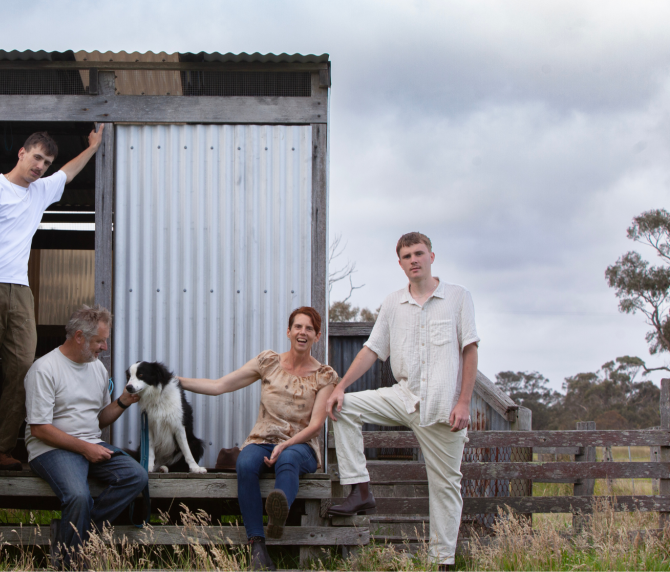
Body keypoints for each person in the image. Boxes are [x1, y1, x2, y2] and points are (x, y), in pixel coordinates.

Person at [325, 232, 479, 571]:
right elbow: (372, 349)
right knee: (345, 406)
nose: (413, 260)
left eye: (419, 253)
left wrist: (464, 402)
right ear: (400, 263)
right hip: (403, 396)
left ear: (431, 257)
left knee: (445, 486)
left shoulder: (457, 298)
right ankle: (360, 489)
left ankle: (443, 562)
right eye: (407, 255)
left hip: (444, 407)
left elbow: (470, 350)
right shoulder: (394, 303)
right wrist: (340, 385)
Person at [0, 127, 104, 471]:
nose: (40, 166)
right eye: (37, 157)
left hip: (22, 290)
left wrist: (94, 146)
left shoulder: (40, 191)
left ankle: (2, 446)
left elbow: (68, 172)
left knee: (22, 369)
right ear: (22, 154)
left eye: (46, 162)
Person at [179, 307, 338, 571]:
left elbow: (316, 425)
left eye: (309, 328)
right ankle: (257, 546)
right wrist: (177, 381)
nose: (303, 332)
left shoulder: (324, 375)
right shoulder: (268, 362)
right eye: (298, 327)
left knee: (288, 459)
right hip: (262, 439)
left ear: (317, 336)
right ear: (288, 332)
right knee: (245, 464)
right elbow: (220, 386)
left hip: (301, 445)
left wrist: (286, 443)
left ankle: (278, 513)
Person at [24, 305, 149, 569]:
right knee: (78, 496)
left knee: (136, 476)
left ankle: (76, 533)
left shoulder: (97, 369)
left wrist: (123, 402)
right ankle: (73, 564)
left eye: (105, 340)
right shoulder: (44, 369)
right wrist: (84, 448)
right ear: (79, 336)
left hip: (90, 442)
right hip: (50, 448)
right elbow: (39, 429)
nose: (104, 347)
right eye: (99, 341)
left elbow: (99, 418)